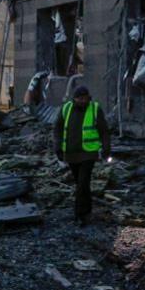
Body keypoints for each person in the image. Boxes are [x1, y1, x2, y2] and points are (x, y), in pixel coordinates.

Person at [53, 86, 111, 226]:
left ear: (88, 97)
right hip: (71, 153)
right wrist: (58, 148)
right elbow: (58, 129)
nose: (82, 101)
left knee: (83, 182)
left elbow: (104, 130)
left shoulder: (95, 108)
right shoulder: (66, 108)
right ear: (74, 98)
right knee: (81, 184)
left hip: (88, 153)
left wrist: (106, 148)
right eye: (80, 98)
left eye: (85, 98)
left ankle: (80, 215)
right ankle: (88, 209)